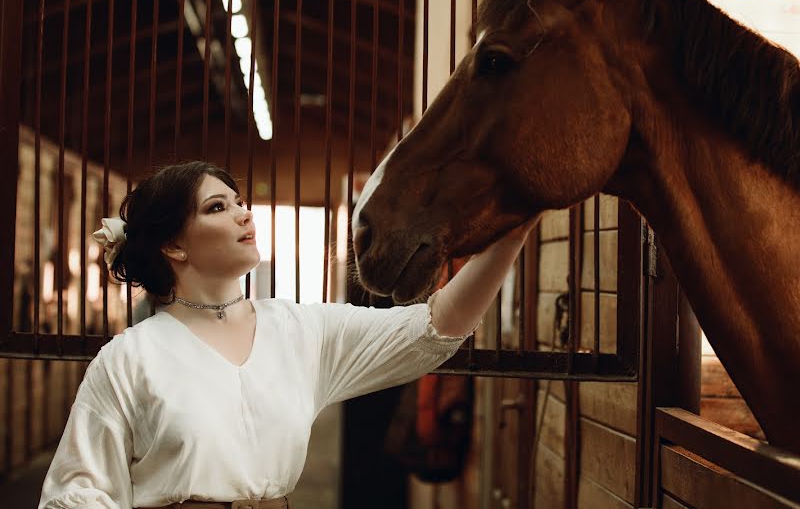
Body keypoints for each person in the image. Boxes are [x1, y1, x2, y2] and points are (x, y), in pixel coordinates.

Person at [39, 161, 537, 509]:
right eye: (217, 207)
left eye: (240, 202)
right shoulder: (129, 358)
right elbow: (79, 491)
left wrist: (512, 233)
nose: (244, 213)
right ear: (174, 245)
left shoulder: (301, 331)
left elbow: (434, 326)